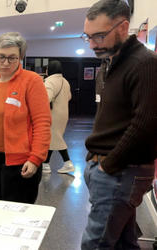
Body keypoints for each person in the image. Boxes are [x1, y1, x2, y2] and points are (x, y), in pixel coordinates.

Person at [81, 0, 157, 249]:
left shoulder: (144, 63)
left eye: (99, 36)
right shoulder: (109, 63)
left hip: (121, 169)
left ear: (123, 27)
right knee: (123, 242)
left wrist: (109, 164)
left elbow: (145, 124)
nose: (92, 44)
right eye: (88, 37)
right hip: (107, 167)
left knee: (95, 243)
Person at [0, 32, 51, 204]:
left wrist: (35, 159)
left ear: (20, 58)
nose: (5, 62)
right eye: (1, 57)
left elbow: (42, 123)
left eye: (12, 58)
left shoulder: (31, 81)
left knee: (17, 216)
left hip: (21, 161)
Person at [42, 60, 75, 174]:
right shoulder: (65, 81)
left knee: (55, 138)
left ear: (49, 70)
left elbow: (46, 98)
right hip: (63, 114)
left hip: (53, 114)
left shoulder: (49, 81)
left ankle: (67, 163)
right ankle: (45, 164)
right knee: (53, 138)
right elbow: (69, 96)